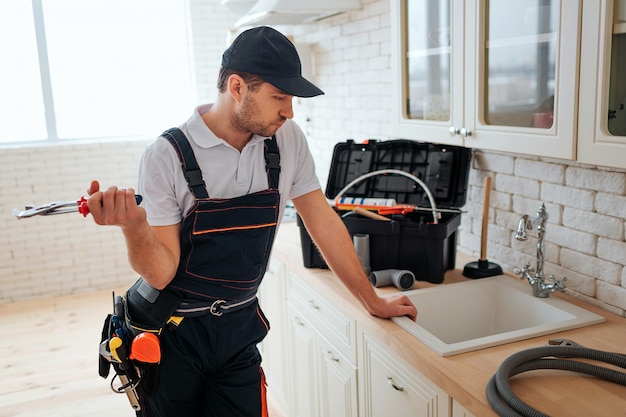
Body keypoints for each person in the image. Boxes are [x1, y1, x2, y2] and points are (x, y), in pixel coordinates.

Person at [87, 26, 417, 417]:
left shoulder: (287, 140)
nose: (289, 111)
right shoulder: (167, 154)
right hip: (172, 335)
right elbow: (161, 273)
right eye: (279, 96)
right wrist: (134, 227)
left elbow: (323, 221)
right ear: (238, 87)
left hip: (238, 329)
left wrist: (372, 300)